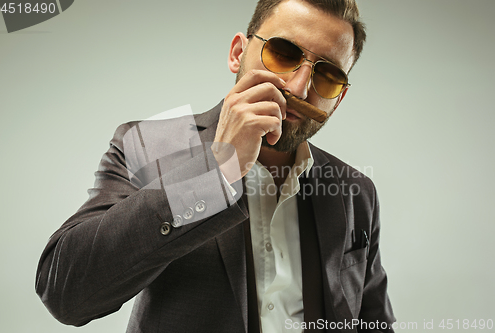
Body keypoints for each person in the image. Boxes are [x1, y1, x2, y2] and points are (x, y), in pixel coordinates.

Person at [36, 0, 395, 332]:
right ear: (238, 53)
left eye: (328, 75)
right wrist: (217, 170)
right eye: (283, 53)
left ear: (340, 96)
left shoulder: (355, 189)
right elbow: (66, 294)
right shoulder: (149, 146)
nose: (299, 89)